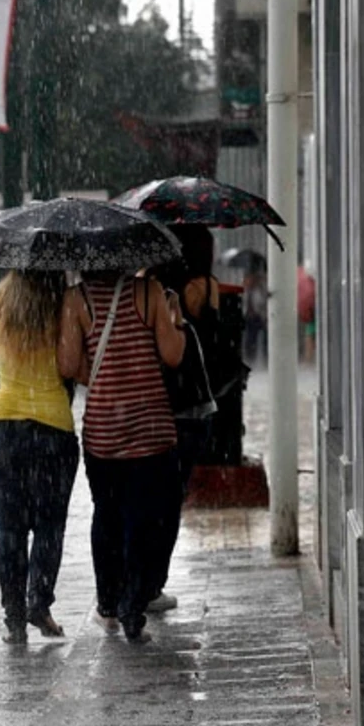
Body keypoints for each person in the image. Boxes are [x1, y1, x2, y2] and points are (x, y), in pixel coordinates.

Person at [58, 269, 185, 643]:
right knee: (144, 518)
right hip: (150, 426)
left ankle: (109, 603)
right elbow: (173, 355)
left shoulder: (75, 299)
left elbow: (67, 365)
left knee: (107, 515)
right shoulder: (150, 292)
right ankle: (134, 605)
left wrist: (101, 377)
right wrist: (174, 320)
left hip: (103, 430)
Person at [0, 271, 79, 645]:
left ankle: (14, 619)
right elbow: (69, 366)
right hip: (51, 429)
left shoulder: (0, 303)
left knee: (10, 528)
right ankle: (40, 602)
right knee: (49, 526)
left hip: (1, 431)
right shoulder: (63, 304)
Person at [146, 225, 222, 613]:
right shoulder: (204, 287)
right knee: (171, 501)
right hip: (192, 405)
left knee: (149, 498)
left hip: (156, 403)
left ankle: (140, 578)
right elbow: (213, 340)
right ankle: (153, 582)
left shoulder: (154, 288)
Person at [298, 265, 317, 364]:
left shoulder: (300, 276)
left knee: (310, 334)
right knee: (311, 333)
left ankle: (309, 360)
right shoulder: (306, 280)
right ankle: (309, 360)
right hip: (313, 310)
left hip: (311, 311)